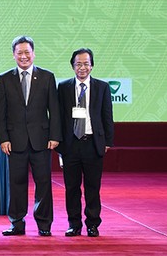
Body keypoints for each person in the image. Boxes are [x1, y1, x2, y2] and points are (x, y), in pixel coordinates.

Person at [0, 35, 61, 237]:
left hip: (41, 141)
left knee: (43, 183)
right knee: (16, 184)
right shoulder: (4, 79)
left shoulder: (47, 77)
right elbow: (0, 113)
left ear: (33, 53)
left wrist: (54, 136)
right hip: (14, 141)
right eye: (19, 53)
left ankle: (44, 224)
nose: (23, 56)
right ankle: (17, 223)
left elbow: (54, 110)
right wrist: (4, 139)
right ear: (13, 55)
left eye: (27, 52)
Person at [56, 48, 114, 237]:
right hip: (71, 144)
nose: (82, 67)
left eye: (86, 64)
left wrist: (107, 141)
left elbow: (107, 115)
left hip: (93, 143)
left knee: (92, 187)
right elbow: (59, 116)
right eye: (78, 64)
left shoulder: (102, 87)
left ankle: (92, 224)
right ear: (72, 66)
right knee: (71, 188)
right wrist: (59, 143)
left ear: (92, 65)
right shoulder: (63, 87)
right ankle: (74, 224)